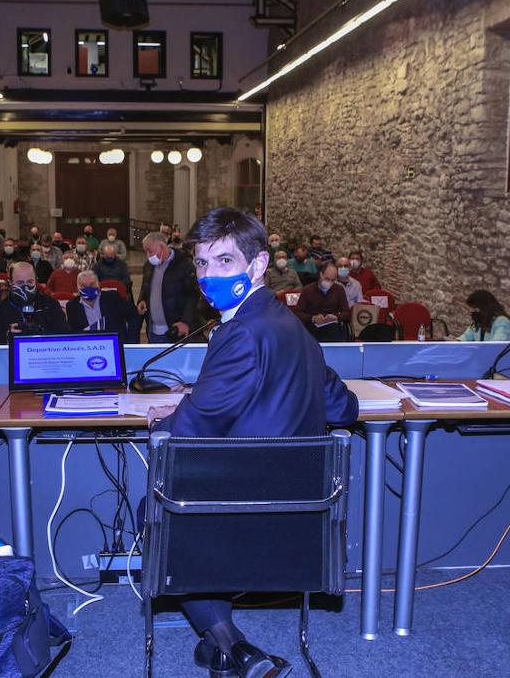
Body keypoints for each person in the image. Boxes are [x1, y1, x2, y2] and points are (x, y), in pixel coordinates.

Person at [146, 208, 358, 678]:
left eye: (224, 262)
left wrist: (159, 425)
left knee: (159, 504)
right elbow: (344, 409)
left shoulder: (239, 332)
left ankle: (232, 646)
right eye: (202, 264)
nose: (209, 276)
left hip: (245, 515)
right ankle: (221, 649)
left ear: (259, 264)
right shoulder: (291, 325)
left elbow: (190, 431)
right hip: (302, 514)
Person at [0, 262, 69, 343]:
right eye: (20, 283)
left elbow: (65, 334)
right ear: (10, 283)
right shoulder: (1, 307)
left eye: (30, 282)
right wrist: (7, 335)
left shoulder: (50, 304)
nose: (25, 286)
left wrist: (41, 332)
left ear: (36, 281)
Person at [137, 231, 200, 343]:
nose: (148, 255)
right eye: (145, 251)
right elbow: (145, 286)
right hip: (153, 330)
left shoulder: (184, 264)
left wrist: (185, 321)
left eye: (150, 251)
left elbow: (193, 295)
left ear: (162, 246)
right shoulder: (149, 266)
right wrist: (142, 300)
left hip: (175, 330)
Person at [66, 270, 140, 341]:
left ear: (98, 284)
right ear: (77, 288)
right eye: (84, 286)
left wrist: (130, 341)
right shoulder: (72, 306)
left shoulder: (112, 298)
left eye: (92, 284)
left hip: (114, 342)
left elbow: (133, 316)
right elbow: (73, 332)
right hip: (87, 346)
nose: (88, 288)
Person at [294, 265, 351, 342]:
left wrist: (336, 317)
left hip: (333, 327)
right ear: (321, 274)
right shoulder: (308, 290)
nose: (329, 282)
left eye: (332, 280)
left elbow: (346, 313)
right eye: (327, 279)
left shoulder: (339, 289)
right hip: (312, 326)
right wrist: (313, 318)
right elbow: (298, 312)